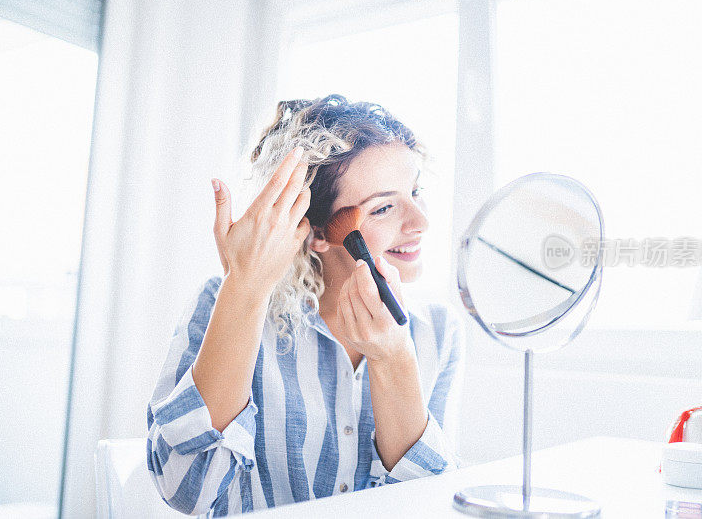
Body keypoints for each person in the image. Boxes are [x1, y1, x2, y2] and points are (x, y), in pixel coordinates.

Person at [146, 94, 464, 516]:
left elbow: (430, 504)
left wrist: (394, 358)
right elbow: (188, 489)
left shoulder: (437, 331)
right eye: (384, 207)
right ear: (315, 233)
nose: (420, 222)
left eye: (416, 192)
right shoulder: (222, 301)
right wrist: (244, 288)